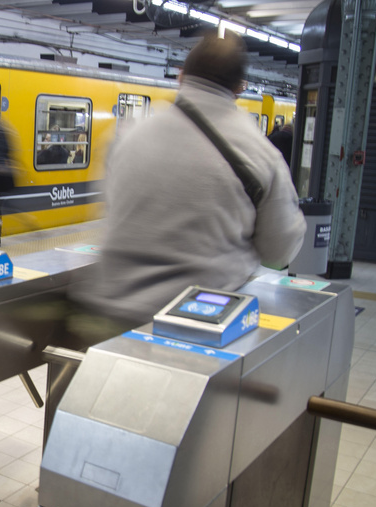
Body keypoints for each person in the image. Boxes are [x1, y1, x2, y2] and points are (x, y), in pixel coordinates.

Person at [71, 30, 306, 336]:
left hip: (111, 316)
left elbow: (112, 210)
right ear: (239, 87)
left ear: (181, 76)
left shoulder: (128, 135)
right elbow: (279, 249)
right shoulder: (261, 153)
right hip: (199, 326)